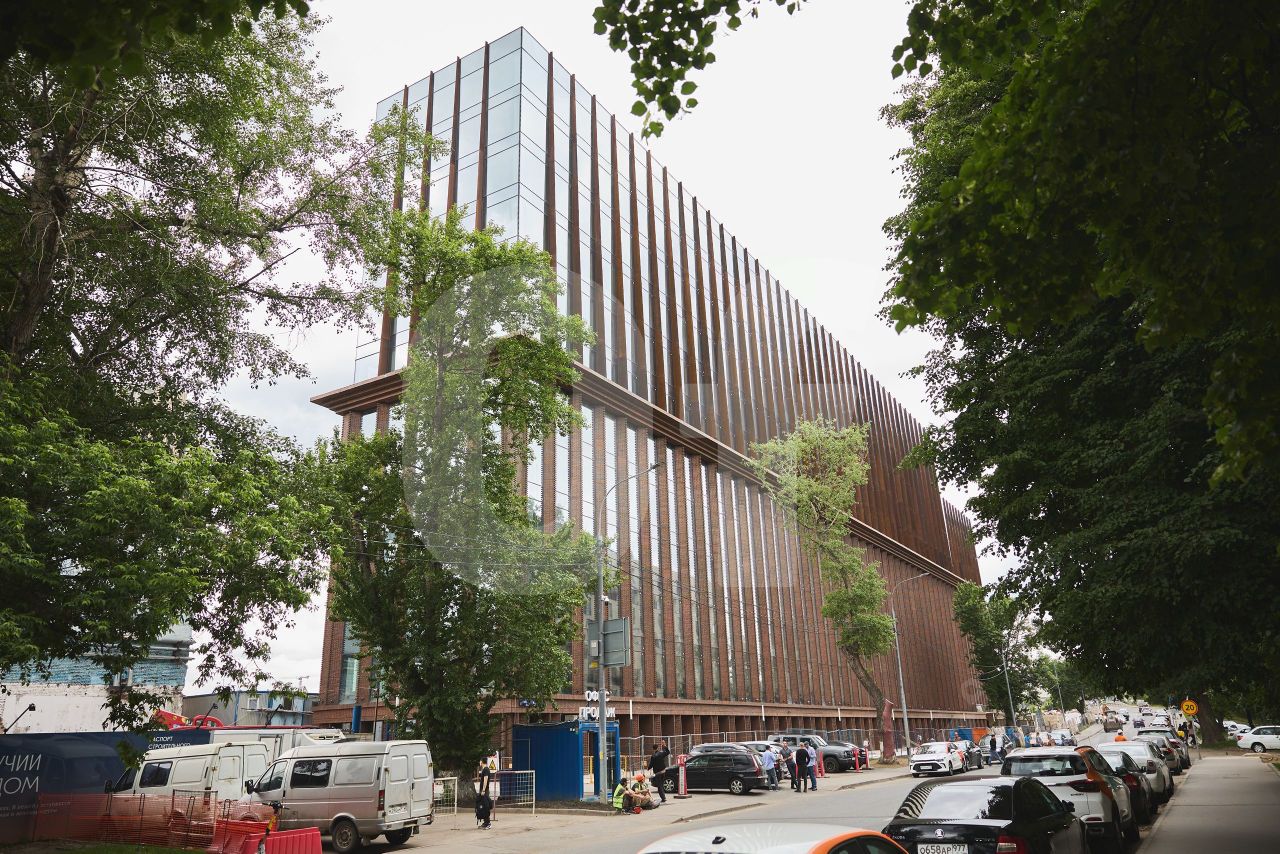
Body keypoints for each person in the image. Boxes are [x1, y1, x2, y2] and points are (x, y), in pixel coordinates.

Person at [475, 759, 494, 829]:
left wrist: (483, 790)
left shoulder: (486, 769)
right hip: (483, 791)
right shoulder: (484, 769)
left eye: (480, 761)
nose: (479, 762)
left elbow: (486, 779)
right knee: (483, 807)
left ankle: (488, 823)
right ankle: (485, 822)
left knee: (486, 807)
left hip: (484, 791)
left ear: (482, 762)